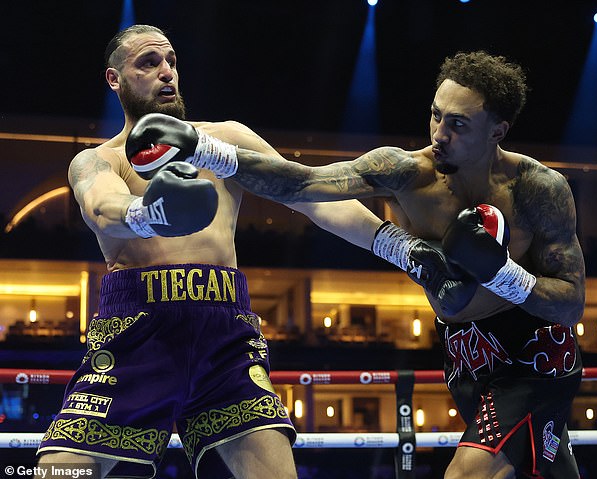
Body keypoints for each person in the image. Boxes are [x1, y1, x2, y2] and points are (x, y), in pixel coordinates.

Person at [130, 51, 586, 478]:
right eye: (435, 114)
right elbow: (302, 183)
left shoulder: (538, 190)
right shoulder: (406, 172)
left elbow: (571, 304)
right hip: (465, 357)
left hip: (536, 355)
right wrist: (203, 150)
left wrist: (500, 272)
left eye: (459, 124)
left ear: (497, 132)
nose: (439, 134)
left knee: (469, 471)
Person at [36, 24, 391, 479]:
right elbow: (102, 207)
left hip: (224, 336)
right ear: (114, 80)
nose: (166, 72)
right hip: (137, 334)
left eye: (171, 62)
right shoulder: (99, 159)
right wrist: (151, 213)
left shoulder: (223, 140)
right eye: (148, 63)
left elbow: (307, 194)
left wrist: (399, 246)